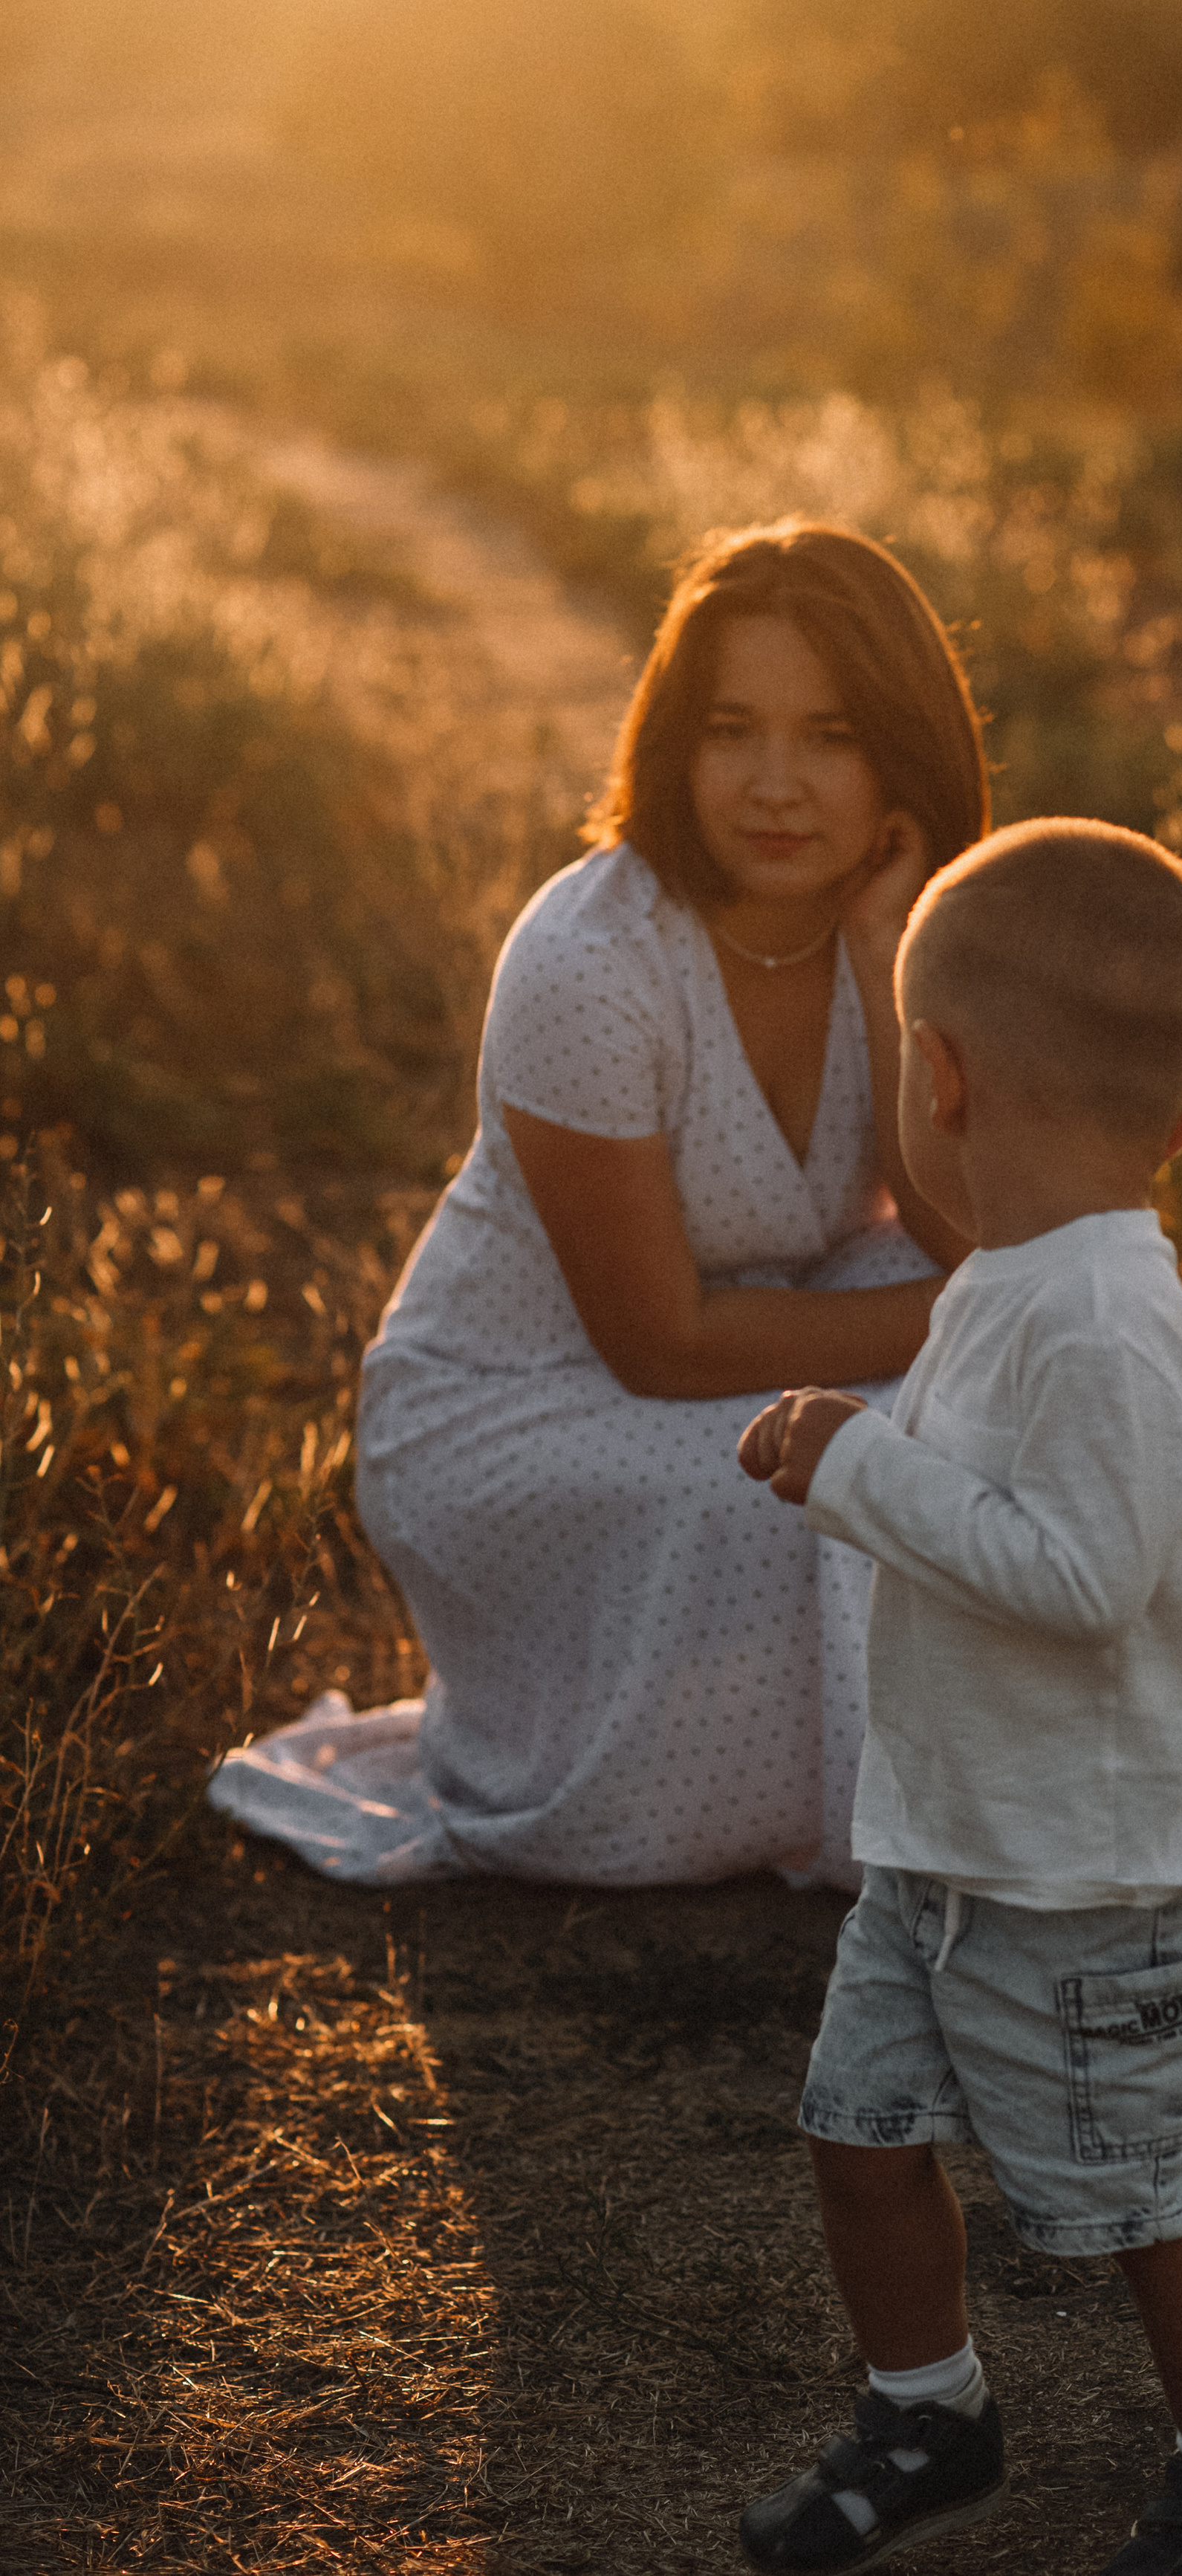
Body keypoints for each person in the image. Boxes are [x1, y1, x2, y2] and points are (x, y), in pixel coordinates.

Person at [204, 522, 987, 1888]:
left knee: (987, 1410)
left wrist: (880, 966)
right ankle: (765, 1797)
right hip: (514, 1402)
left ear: (903, 757)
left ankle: (941, 1777)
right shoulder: (590, 958)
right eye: (733, 729)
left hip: (760, 1335)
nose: (777, 784)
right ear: (675, 744)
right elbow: (658, 1341)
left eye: (834, 736)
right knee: (827, 1476)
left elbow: (957, 1229)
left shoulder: (909, 924)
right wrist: (963, 1318)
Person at [732, 820, 1182, 2576]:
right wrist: (855, 1456)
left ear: (934, 1075)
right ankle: (928, 2406)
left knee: (1147, 2215)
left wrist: (853, 1466)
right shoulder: (1008, 1283)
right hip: (950, 1851)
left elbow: (1076, 1583)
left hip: (1106, 1889)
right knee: (858, 2137)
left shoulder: (1106, 1328)